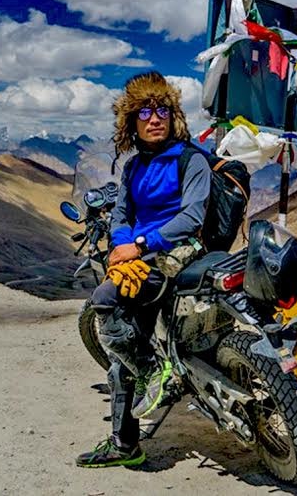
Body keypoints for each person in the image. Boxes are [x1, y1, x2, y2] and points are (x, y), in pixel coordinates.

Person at [76, 71, 210, 469]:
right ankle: (125, 445)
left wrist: (138, 245)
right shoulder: (134, 167)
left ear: (174, 116)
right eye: (146, 111)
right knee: (123, 352)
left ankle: (155, 369)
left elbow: (193, 215)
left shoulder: (190, 160)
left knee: (104, 300)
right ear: (131, 121)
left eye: (163, 110)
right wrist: (122, 243)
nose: (155, 118)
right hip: (139, 255)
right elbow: (122, 213)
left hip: (174, 252)